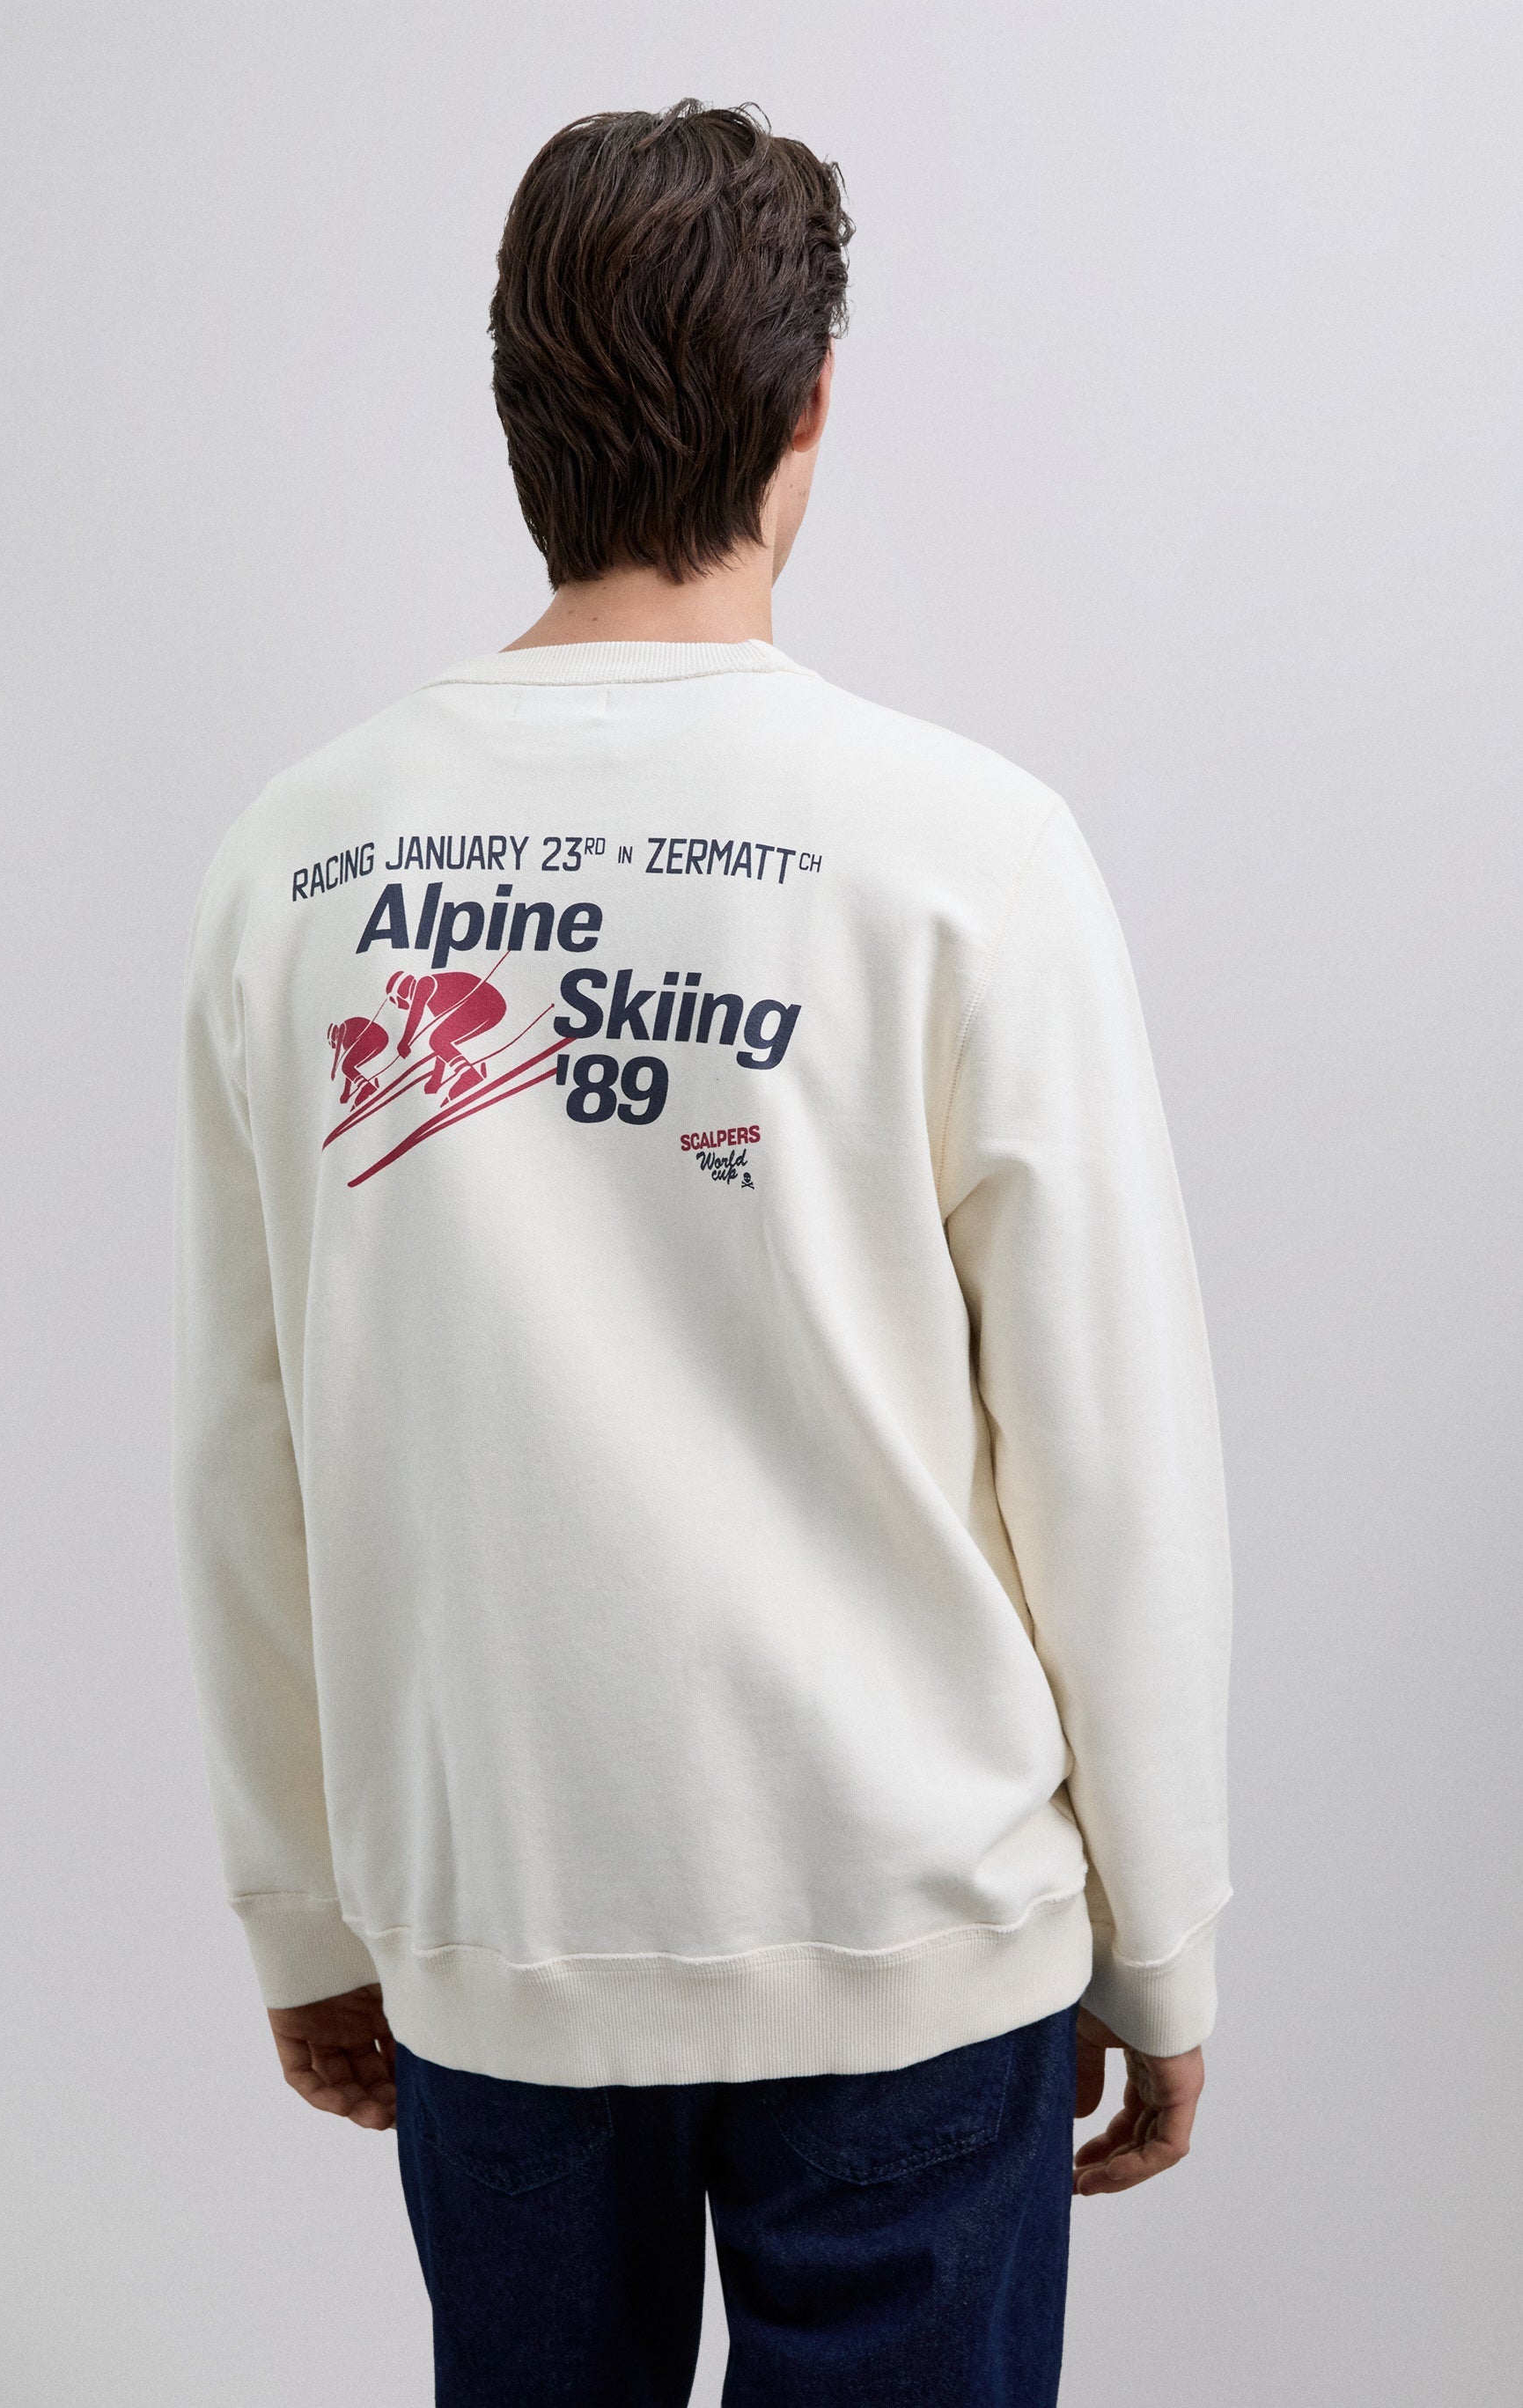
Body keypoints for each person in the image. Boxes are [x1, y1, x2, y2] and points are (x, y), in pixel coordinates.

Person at [173, 99, 1232, 2407]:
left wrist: (305, 1906)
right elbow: (1105, 1444)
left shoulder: (302, 865)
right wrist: (1161, 1935)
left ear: (513, 409)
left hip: (499, 1927)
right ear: (808, 405)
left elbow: (249, 1451)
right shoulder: (962, 853)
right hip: (907, 1938)